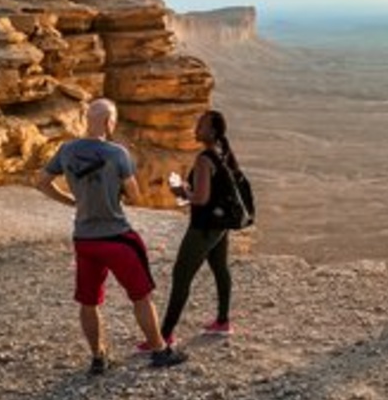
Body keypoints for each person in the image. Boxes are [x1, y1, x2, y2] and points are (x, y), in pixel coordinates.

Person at [37, 98, 185, 373]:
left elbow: (41, 182)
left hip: (84, 239)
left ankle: (98, 357)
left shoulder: (66, 150)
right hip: (117, 237)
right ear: (108, 122)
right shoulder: (117, 153)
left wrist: (73, 201)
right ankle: (159, 351)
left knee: (89, 301)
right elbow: (134, 195)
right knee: (141, 297)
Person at [153, 110, 238, 348]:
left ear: (211, 131)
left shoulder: (203, 159)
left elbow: (200, 198)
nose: (195, 128)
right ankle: (223, 321)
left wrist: (180, 190)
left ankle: (163, 336)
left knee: (181, 275)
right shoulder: (223, 152)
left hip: (204, 227)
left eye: (200, 125)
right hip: (220, 225)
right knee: (220, 268)